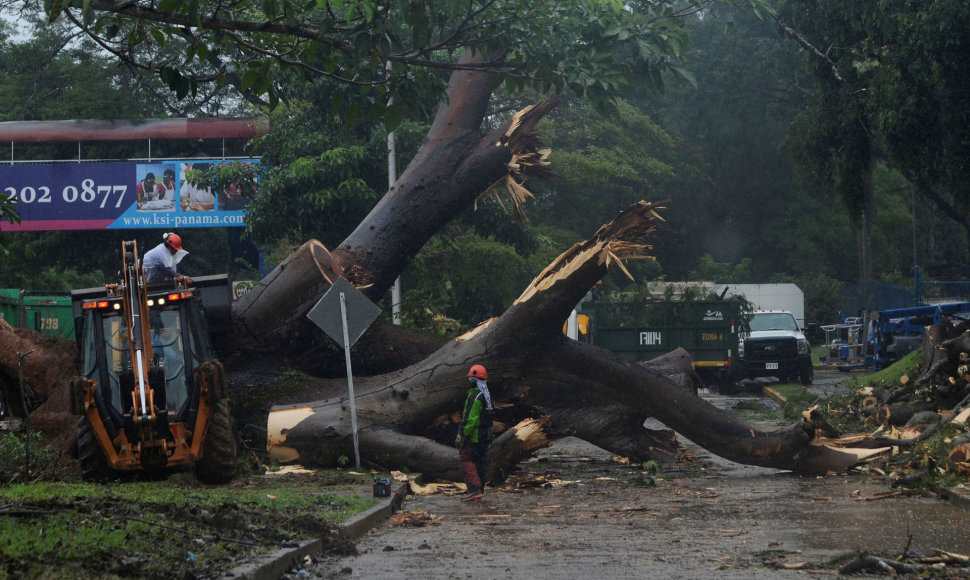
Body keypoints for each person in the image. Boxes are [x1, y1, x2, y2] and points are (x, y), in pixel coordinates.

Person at [455, 364, 493, 502]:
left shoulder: (475, 397)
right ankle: (479, 490)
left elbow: (470, 419)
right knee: (480, 462)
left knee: (465, 458)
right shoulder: (486, 396)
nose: (469, 380)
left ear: (474, 380)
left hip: (475, 435)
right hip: (486, 435)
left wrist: (461, 434)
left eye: (470, 378)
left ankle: (475, 489)